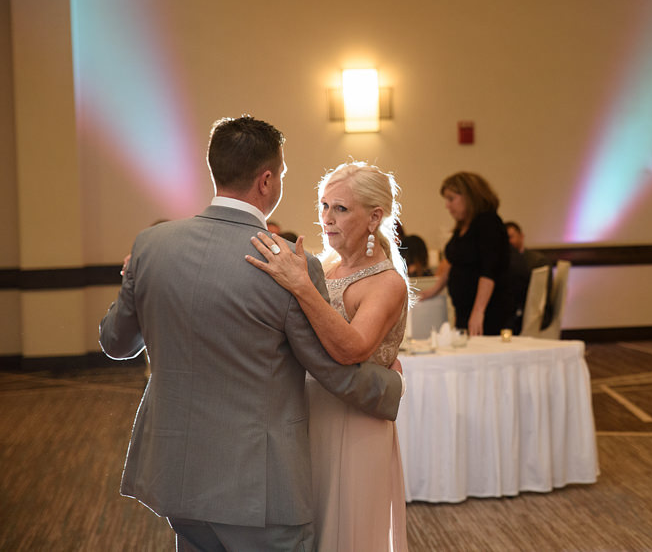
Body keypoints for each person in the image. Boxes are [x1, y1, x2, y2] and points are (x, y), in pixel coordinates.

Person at [99, 116, 403, 551]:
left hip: (177, 474)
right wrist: (389, 385)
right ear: (266, 181)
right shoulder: (282, 263)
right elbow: (330, 367)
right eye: (280, 174)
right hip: (259, 487)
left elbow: (116, 343)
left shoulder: (151, 246)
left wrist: (134, 277)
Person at [246, 161, 409, 552]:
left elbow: (353, 348)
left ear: (374, 218)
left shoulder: (386, 283)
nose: (327, 219)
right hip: (308, 411)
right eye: (323, 206)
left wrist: (302, 287)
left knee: (348, 530)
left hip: (353, 420)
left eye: (340, 208)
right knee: (312, 522)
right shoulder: (325, 266)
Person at [420, 172, 511, 336]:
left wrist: (478, 312)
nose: (447, 205)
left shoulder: (488, 222)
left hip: (488, 311)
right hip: (465, 309)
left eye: (451, 198)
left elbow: (488, 271)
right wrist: (435, 289)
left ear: (469, 196)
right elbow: (455, 261)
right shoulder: (462, 227)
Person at [505, 221, 552, 334]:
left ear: (521, 236)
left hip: (535, 312)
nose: (508, 242)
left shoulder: (537, 261)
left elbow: (540, 296)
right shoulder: (504, 262)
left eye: (511, 237)